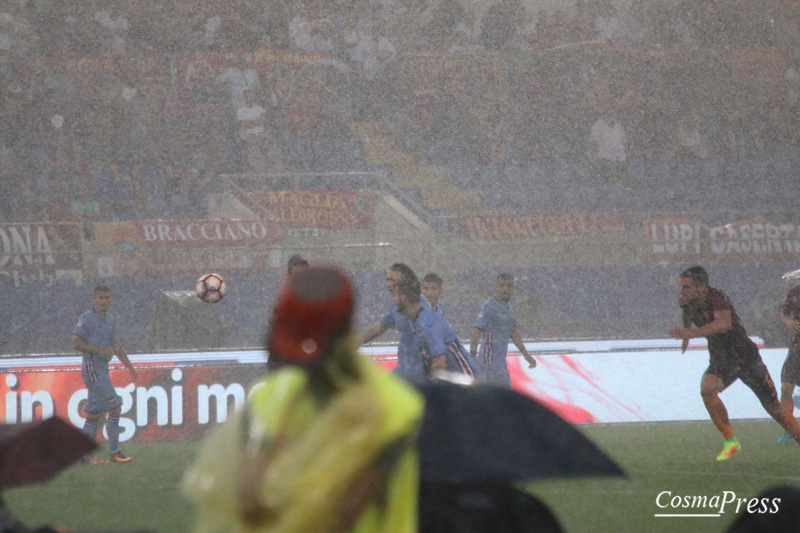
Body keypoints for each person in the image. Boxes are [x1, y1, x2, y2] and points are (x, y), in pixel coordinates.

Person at [184, 267, 423, 532]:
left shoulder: (391, 410)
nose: (305, 366)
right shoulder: (271, 396)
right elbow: (248, 504)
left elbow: (340, 516)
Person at [669, 266, 800, 461]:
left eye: (686, 287)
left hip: (745, 355)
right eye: (682, 286)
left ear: (701, 287)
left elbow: (724, 324)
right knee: (707, 389)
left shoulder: (717, 297)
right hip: (722, 357)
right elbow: (687, 316)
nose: (682, 291)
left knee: (775, 410)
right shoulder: (686, 302)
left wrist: (691, 333)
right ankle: (731, 440)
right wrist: (686, 335)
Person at [71, 285, 137, 464]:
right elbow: (75, 343)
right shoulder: (86, 319)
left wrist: (129, 366)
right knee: (115, 407)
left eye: (107, 298)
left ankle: (83, 455)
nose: (104, 301)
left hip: (103, 371)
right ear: (94, 299)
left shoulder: (111, 320)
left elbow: (116, 346)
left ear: (111, 299)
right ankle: (115, 452)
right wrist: (98, 350)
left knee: (94, 414)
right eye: (100, 298)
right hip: (93, 370)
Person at [393, 276, 478, 379]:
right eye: (426, 288)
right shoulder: (413, 314)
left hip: (452, 366)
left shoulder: (436, 314)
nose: (429, 293)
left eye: (433, 288)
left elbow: (441, 349)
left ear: (441, 290)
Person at [360, 263, 432, 378]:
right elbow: (381, 326)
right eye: (387, 280)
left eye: (393, 280)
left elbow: (432, 337)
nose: (389, 284)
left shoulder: (419, 305)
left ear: (405, 281)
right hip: (404, 366)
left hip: (420, 369)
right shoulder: (397, 304)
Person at [469, 273, 536, 387]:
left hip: (500, 362)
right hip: (488, 360)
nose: (505, 288)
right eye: (502, 285)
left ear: (512, 288)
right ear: (497, 287)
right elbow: (477, 329)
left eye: (508, 286)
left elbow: (514, 332)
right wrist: (472, 354)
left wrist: (525, 354)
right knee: (490, 395)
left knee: (505, 394)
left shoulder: (509, 307)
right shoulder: (489, 306)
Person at [776, 283, 800, 443]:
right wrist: (788, 322)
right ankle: (789, 428)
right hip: (797, 346)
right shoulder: (796, 291)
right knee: (786, 388)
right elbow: (783, 314)